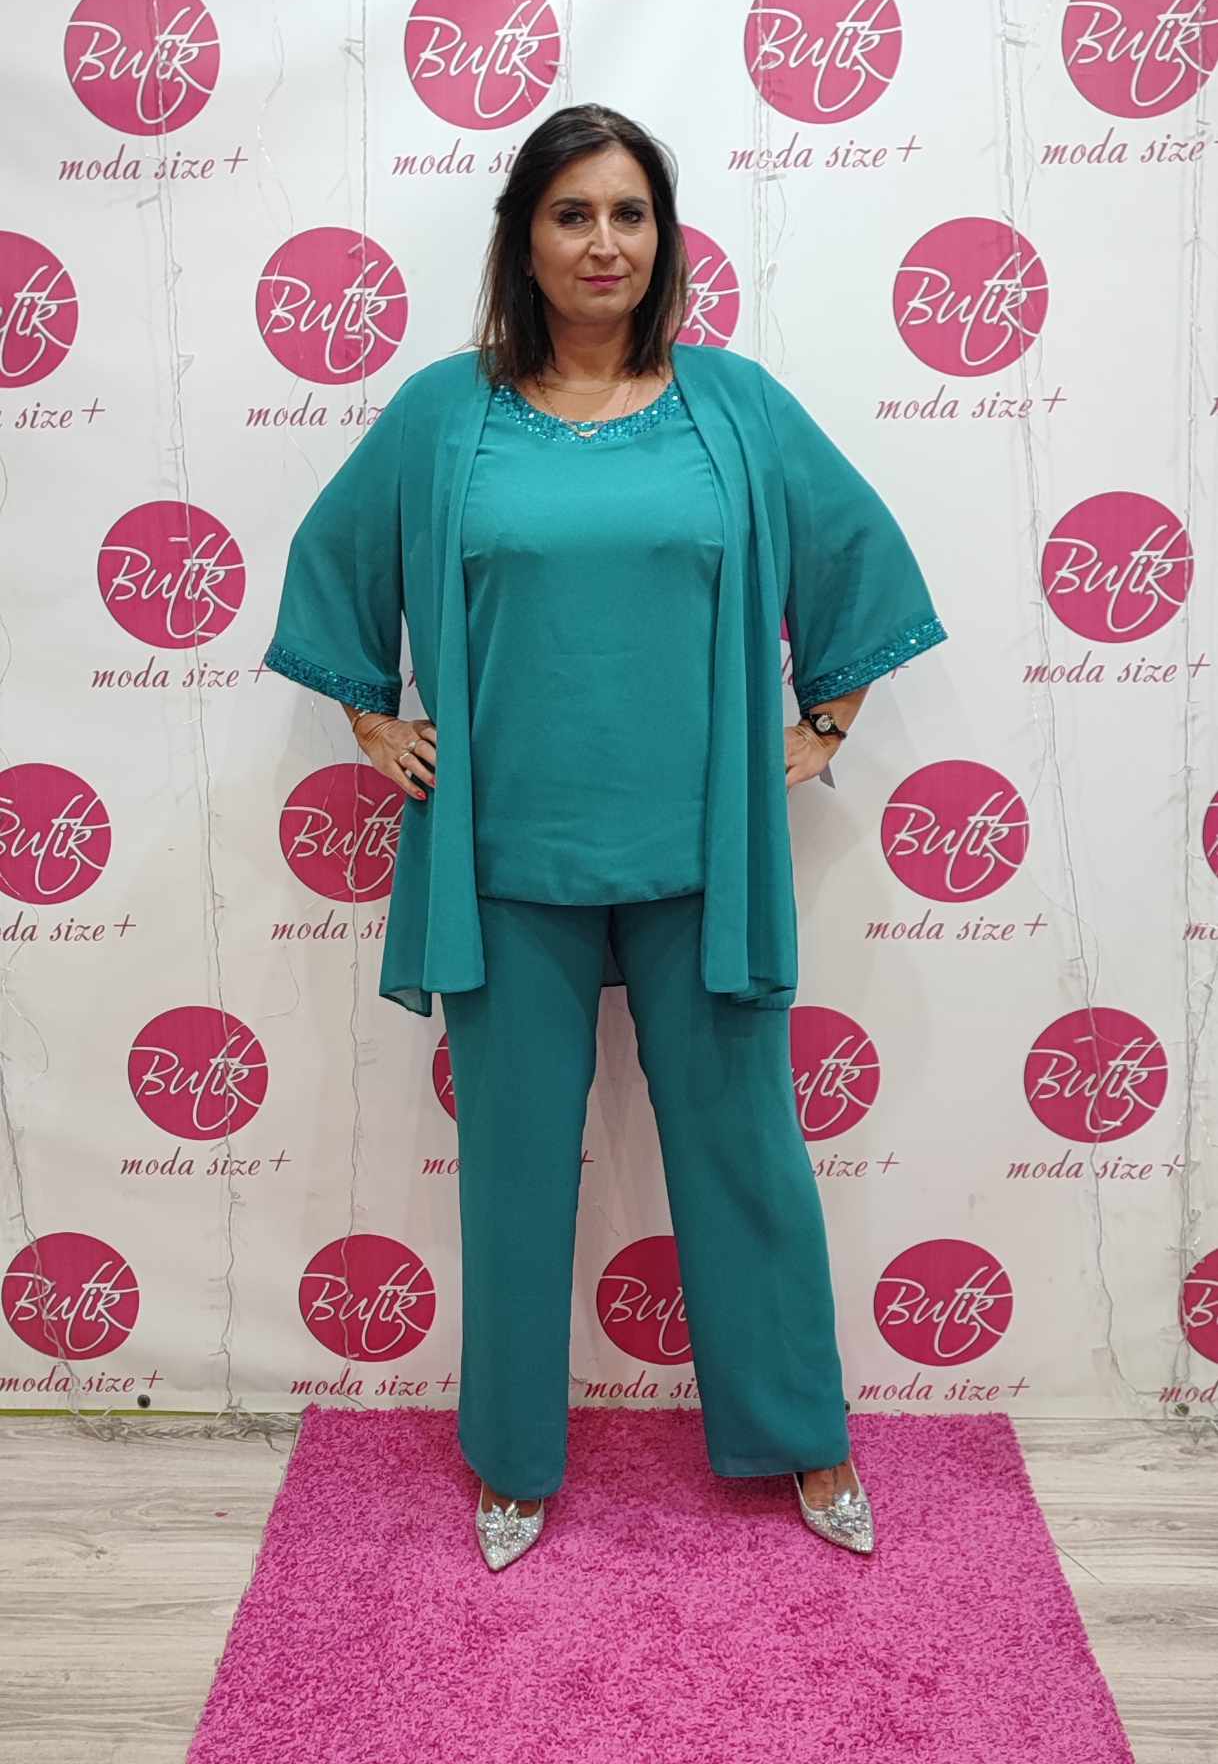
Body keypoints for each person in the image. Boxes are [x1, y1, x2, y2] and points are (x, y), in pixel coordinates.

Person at [264, 103, 947, 1574]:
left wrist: (824, 724)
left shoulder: (731, 405)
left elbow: (855, 550)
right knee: (514, 1165)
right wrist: (370, 720)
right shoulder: (445, 413)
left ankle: (802, 1434)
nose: (603, 243)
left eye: (630, 213)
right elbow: (333, 559)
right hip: (505, 858)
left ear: (664, 238)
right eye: (572, 213)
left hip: (706, 852)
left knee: (745, 1151)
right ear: (525, 238)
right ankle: (513, 1456)